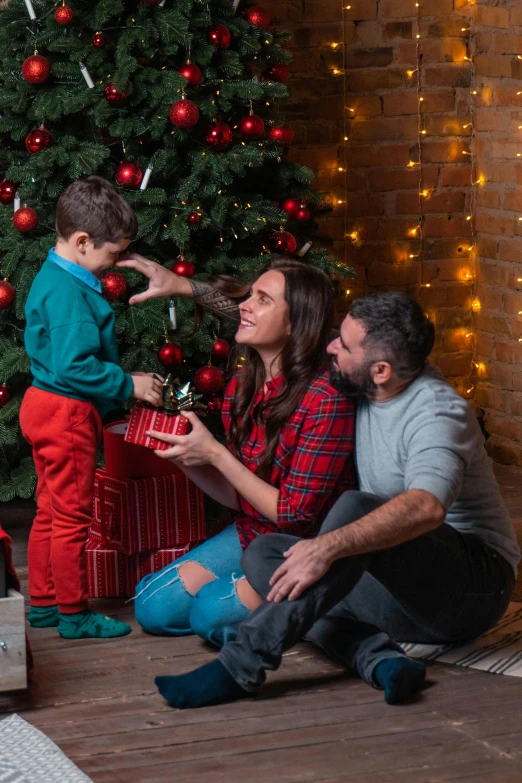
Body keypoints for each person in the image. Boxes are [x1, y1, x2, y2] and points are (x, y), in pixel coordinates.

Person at [123, 286, 519, 709]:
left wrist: (326, 547)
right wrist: (184, 285)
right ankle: (379, 658)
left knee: (351, 513)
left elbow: (426, 507)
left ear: (380, 370)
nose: (331, 346)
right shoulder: (363, 371)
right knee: (266, 555)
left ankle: (239, 667)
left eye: (343, 345)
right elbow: (289, 326)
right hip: (398, 597)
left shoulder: (437, 413)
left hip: (469, 593)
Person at [128, 257, 356, 643]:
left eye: (262, 300)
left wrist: (216, 454)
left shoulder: (326, 398)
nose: (244, 306)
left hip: (305, 546)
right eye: (250, 294)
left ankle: (317, 606)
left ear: (294, 323)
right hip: (253, 531)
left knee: (209, 616)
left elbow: (295, 517)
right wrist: (188, 458)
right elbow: (240, 497)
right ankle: (279, 609)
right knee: (152, 605)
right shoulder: (245, 382)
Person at [20, 176, 163, 640]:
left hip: (41, 404)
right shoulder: (72, 295)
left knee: (48, 509)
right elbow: (75, 365)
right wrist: (128, 384)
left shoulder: (54, 275)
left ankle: (43, 602)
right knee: (73, 517)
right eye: (110, 254)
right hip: (66, 412)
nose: (113, 264)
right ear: (82, 242)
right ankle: (73, 613)